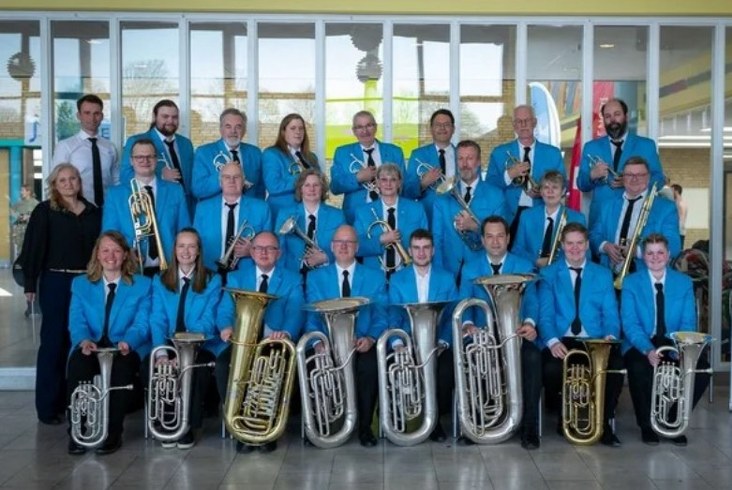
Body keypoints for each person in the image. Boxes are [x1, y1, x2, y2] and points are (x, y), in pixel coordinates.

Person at [18, 163, 101, 426]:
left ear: (79, 181)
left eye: (73, 178)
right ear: (54, 185)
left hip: (86, 282)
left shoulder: (93, 212)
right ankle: (47, 407)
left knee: (80, 341)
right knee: (53, 343)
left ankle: (73, 402)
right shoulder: (45, 211)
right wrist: (30, 284)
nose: (68, 183)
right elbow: (33, 249)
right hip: (55, 280)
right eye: (62, 180)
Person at [216, 231, 304, 453]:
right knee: (222, 366)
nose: (264, 253)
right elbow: (225, 310)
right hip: (242, 341)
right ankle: (241, 429)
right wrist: (225, 327)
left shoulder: (293, 278)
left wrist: (286, 332)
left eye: (270, 248)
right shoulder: (236, 277)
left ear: (279, 253)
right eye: (258, 248)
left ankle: (266, 429)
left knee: (272, 377)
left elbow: (295, 310)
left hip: (273, 342)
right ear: (251, 252)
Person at [458, 216, 542, 449]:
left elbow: (533, 301)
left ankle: (530, 428)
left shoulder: (523, 265)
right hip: (483, 333)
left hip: (517, 331)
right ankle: (476, 424)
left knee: (533, 359)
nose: (495, 242)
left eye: (500, 236)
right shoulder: (470, 267)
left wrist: (531, 323)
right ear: (483, 240)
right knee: (471, 355)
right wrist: (467, 326)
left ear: (508, 238)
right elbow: (463, 301)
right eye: (490, 236)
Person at [66, 231, 152, 455]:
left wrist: (128, 342)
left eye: (116, 250)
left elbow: (142, 324)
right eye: (105, 250)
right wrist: (83, 340)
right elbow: (76, 320)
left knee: (120, 373)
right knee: (77, 367)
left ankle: (112, 433)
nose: (110, 256)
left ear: (125, 255)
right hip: (90, 346)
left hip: (123, 348)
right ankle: (77, 432)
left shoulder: (142, 285)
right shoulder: (80, 284)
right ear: (97, 254)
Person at [538, 222, 623, 447]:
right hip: (561, 337)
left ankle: (603, 425)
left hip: (594, 338)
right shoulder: (548, 274)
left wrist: (610, 336)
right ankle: (564, 417)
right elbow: (545, 315)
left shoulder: (603, 274)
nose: (574, 248)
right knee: (552, 368)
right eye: (569, 244)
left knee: (614, 367)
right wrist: (552, 341)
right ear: (562, 246)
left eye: (579, 243)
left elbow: (611, 314)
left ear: (586, 245)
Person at [621, 233, 710, 446]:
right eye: (650, 253)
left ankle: (672, 422)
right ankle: (647, 425)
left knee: (700, 369)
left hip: (673, 339)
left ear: (668, 255)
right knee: (638, 367)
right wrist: (648, 350)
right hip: (641, 340)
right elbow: (630, 324)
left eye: (660, 252)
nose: (655, 257)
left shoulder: (683, 282)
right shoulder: (631, 282)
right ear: (643, 256)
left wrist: (679, 349)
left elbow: (688, 321)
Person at [304, 225, 388, 447]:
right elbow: (312, 317)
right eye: (339, 242)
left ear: (357, 247)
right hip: (328, 344)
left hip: (361, 344)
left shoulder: (375, 277)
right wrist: (319, 342)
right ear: (331, 246)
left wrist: (370, 338)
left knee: (369, 368)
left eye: (349, 242)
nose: (343, 246)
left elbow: (381, 316)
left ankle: (364, 428)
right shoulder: (315, 278)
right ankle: (323, 426)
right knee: (313, 365)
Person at [147, 228, 223, 450]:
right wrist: (161, 353)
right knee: (150, 368)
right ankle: (165, 422)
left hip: (201, 343)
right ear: (174, 250)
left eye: (191, 246)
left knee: (194, 370)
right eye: (181, 246)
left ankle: (187, 426)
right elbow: (157, 319)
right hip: (168, 344)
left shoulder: (212, 279)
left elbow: (208, 320)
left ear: (199, 251)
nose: (186, 251)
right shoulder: (160, 280)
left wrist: (183, 351)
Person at [387, 229, 458, 442]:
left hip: (438, 342)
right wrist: (398, 343)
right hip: (407, 343)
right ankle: (405, 420)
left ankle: (434, 421)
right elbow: (393, 315)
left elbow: (453, 314)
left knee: (445, 371)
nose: (421, 253)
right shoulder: (397, 279)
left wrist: (443, 342)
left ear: (433, 251)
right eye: (416, 248)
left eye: (426, 248)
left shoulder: (446, 278)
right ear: (409, 250)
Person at [102, 138, 190, 277]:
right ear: (131, 160)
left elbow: (184, 230)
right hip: (130, 268)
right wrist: (126, 252)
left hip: (169, 268)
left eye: (150, 156)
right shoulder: (115, 194)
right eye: (139, 157)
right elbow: (109, 235)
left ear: (156, 159)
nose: (145, 160)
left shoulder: (175, 191)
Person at [577, 98, 665, 226]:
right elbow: (581, 184)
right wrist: (592, 175)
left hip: (636, 216)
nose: (612, 120)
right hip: (601, 219)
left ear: (626, 117)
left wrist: (633, 181)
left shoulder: (646, 145)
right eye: (608, 116)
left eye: (617, 114)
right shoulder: (591, 147)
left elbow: (659, 179)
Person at [432, 140, 508, 285]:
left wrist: (475, 227)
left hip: (482, 270)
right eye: (460, 159)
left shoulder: (496, 196)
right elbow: (437, 238)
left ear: (479, 161)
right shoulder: (442, 198)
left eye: (470, 158)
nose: (465, 164)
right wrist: (439, 273)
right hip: (449, 271)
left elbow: (501, 235)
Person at [589, 157, 680, 276]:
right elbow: (594, 235)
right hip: (609, 276)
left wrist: (637, 251)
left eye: (640, 175)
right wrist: (604, 246)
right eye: (629, 174)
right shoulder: (607, 205)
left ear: (648, 178)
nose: (634, 179)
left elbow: (673, 246)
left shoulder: (666, 208)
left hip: (646, 278)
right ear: (623, 178)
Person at [486, 105, 566, 239]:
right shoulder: (499, 152)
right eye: (518, 121)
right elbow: (488, 186)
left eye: (527, 120)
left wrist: (542, 192)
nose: (523, 125)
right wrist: (509, 175)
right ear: (514, 125)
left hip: (542, 212)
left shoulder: (553, 153)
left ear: (534, 122)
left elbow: (563, 185)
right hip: (508, 216)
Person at [193, 162, 273, 275]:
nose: (232, 181)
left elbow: (270, 245)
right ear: (220, 182)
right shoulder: (203, 208)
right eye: (227, 177)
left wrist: (252, 250)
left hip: (246, 272)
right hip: (209, 270)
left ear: (243, 181)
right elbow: (195, 242)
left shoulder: (261, 208)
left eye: (236, 177)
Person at [121, 99, 196, 215]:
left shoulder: (186, 144)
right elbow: (125, 176)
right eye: (165, 116)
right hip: (154, 206)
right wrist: (160, 176)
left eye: (174, 117)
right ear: (154, 117)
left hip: (185, 208)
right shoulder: (137, 141)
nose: (170, 121)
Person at [330, 110, 406, 224]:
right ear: (354, 131)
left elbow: (403, 185)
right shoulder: (342, 153)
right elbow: (335, 187)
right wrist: (357, 178)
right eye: (359, 127)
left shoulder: (394, 151)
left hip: (390, 211)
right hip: (355, 215)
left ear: (375, 127)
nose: (365, 131)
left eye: (369, 125)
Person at [354, 164, 428, 279]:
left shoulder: (416, 209)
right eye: (383, 179)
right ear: (377, 183)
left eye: (393, 179)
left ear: (399, 183)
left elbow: (426, 242)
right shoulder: (363, 212)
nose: (388, 184)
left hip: (408, 275)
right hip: (374, 276)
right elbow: (356, 247)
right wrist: (381, 239)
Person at [274, 169, 345, 281]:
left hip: (326, 275)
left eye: (316, 185)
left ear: (322, 189)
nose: (311, 189)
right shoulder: (285, 214)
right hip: (292, 275)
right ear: (300, 189)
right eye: (307, 185)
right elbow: (279, 247)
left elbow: (344, 246)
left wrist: (326, 257)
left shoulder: (337, 215)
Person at [52, 94, 119, 207]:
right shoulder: (65, 146)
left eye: (96, 114)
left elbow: (116, 181)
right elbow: (55, 181)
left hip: (107, 209)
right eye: (87, 113)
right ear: (79, 115)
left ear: (102, 116)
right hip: (77, 210)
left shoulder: (110, 147)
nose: (92, 118)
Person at [512, 170, 586, 269]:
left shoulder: (577, 218)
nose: (550, 191)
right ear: (541, 192)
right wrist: (536, 261)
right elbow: (517, 250)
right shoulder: (527, 216)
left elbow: (583, 253)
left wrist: (553, 263)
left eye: (555, 187)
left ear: (563, 191)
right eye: (546, 187)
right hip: (531, 271)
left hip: (563, 272)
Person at [192, 108, 264, 201]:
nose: (233, 131)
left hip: (249, 212)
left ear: (244, 130)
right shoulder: (204, 153)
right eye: (228, 126)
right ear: (221, 129)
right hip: (216, 212)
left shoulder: (255, 153)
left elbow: (260, 189)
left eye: (238, 127)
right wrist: (225, 174)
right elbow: (198, 189)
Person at [403, 109, 457, 221]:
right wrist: (423, 183)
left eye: (447, 124)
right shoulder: (418, 155)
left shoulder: (462, 154)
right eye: (438, 125)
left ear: (453, 129)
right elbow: (406, 192)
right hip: (429, 214)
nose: (442, 128)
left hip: (457, 214)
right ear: (431, 129)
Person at [262, 113, 319, 215]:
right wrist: (303, 179)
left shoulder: (312, 157)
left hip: (308, 212)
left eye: (301, 128)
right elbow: (273, 186)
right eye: (293, 128)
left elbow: (319, 184)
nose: (298, 132)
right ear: (283, 132)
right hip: (281, 212)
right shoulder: (271, 154)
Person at [672, 184, 688, 250]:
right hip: (679, 230)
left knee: (678, 250)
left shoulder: (681, 203)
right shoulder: (677, 202)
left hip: (679, 231)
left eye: (671, 190)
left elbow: (681, 218)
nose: (671, 192)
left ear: (676, 191)